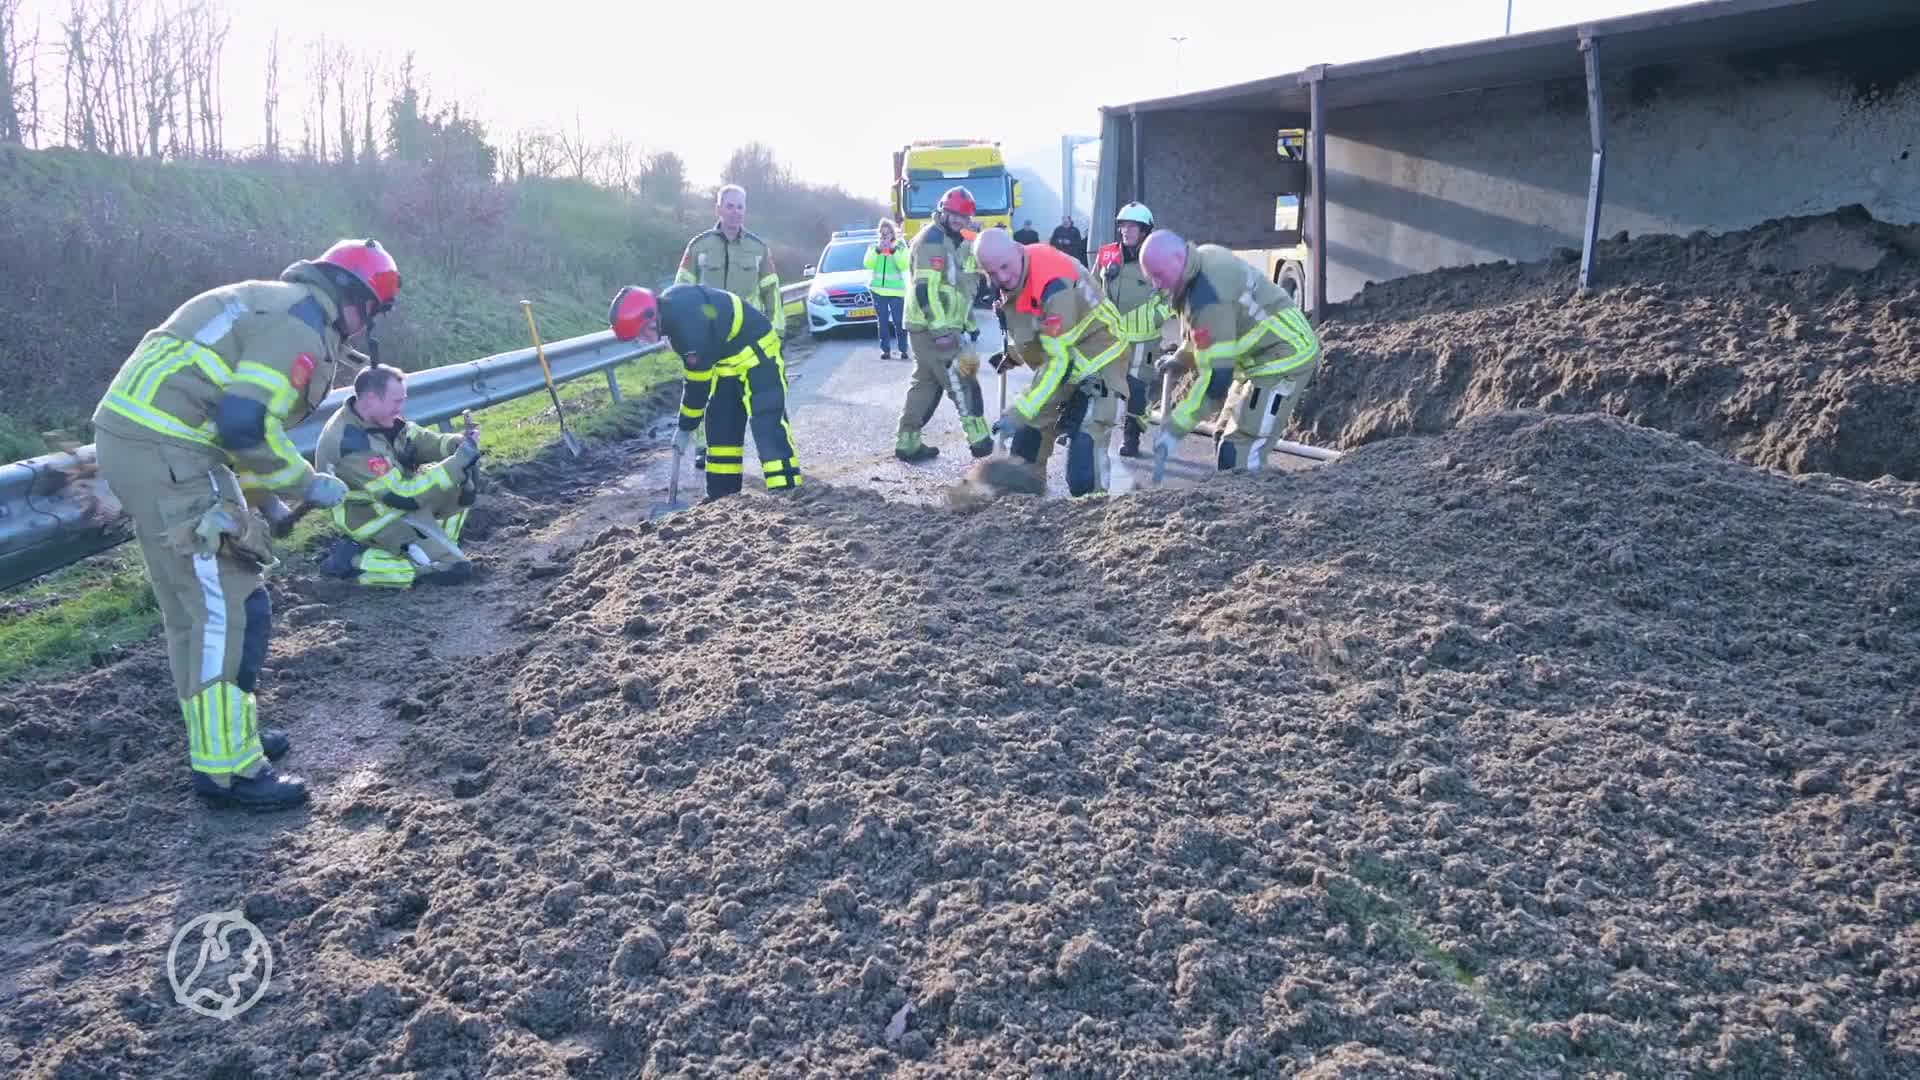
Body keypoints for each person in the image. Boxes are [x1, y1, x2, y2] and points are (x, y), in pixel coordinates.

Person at [89, 238, 400, 809]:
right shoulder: (299, 328)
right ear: (354, 300)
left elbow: (233, 424)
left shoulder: (280, 306)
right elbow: (244, 427)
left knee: (210, 609)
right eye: (369, 314)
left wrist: (268, 504)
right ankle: (227, 772)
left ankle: (227, 740)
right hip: (169, 452)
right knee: (224, 612)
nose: (361, 329)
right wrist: (305, 483)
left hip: (170, 446)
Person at [1139, 229, 1323, 474]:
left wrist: (1174, 429)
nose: (1156, 285)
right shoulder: (1199, 266)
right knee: (1222, 438)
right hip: (1256, 360)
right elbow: (1204, 334)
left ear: (1176, 259)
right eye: (1151, 278)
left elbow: (1217, 381)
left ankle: (1261, 506)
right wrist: (1182, 359)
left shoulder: (1207, 294)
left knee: (1239, 451)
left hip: (1285, 356)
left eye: (1159, 276)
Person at [608, 282, 803, 499]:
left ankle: (787, 490)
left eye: (641, 334)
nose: (642, 340)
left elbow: (697, 387)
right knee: (720, 426)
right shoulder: (673, 310)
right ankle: (723, 497)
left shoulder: (687, 329)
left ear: (652, 320)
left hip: (759, 356)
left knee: (766, 421)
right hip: (726, 364)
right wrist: (686, 426)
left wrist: (685, 427)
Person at [976, 227, 1127, 496]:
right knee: (1026, 444)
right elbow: (1037, 329)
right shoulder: (1013, 279)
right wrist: (1015, 353)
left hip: (1101, 361)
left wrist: (1019, 412)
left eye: (1004, 267)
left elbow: (1059, 362)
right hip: (1061, 361)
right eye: (991, 273)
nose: (1001, 277)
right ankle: (1025, 509)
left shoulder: (1053, 283)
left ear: (1017, 250)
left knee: (1083, 467)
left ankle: (1094, 518)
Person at [312, 363, 483, 588]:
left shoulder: (380, 418)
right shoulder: (351, 443)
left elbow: (419, 439)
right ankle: (354, 562)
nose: (401, 407)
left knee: (459, 485)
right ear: (372, 399)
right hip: (372, 517)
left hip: (399, 506)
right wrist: (458, 461)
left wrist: (456, 444)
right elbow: (401, 495)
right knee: (453, 569)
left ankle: (432, 547)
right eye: (397, 401)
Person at [674, 184, 784, 472]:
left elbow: (772, 292)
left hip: (746, 337)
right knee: (706, 390)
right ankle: (703, 448)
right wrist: (677, 330)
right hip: (706, 336)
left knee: (753, 393)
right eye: (730, 206)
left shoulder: (758, 248)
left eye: (740, 206)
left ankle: (767, 453)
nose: (735, 212)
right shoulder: (699, 246)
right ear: (718, 209)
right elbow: (680, 289)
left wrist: (777, 331)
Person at [895, 186, 991, 463]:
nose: (960, 221)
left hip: (940, 327)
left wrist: (968, 324)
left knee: (925, 384)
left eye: (965, 217)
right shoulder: (932, 241)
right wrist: (940, 331)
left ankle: (908, 442)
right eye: (955, 215)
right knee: (963, 380)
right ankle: (981, 443)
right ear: (942, 212)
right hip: (935, 329)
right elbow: (926, 290)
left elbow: (963, 286)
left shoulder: (956, 241)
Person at [1094, 202, 1178, 458]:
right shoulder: (1107, 256)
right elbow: (1092, 287)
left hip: (1143, 341)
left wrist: (1155, 317)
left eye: (1132, 226)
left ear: (1144, 231)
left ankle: (1132, 437)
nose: (1126, 231)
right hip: (1111, 337)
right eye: (1123, 225)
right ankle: (1095, 440)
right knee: (1101, 387)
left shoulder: (1158, 259)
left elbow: (1172, 296)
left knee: (1136, 392)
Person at [864, 218, 911, 360]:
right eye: (882, 234)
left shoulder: (900, 247)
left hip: (896, 292)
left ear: (892, 234)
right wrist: (878, 251)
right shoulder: (873, 247)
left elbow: (904, 265)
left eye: (887, 233)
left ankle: (903, 349)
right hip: (878, 291)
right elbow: (868, 264)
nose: (885, 236)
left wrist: (893, 250)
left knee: (898, 322)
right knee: (882, 322)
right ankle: (885, 350)